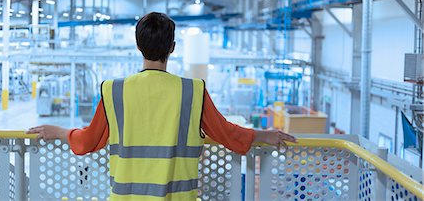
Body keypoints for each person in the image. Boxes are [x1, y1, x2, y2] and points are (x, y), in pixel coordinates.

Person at [28, 12, 297, 201]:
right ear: (173, 47)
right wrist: (264, 135)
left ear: (138, 45)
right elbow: (226, 134)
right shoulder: (193, 91)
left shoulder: (114, 90)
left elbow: (88, 141)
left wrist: (60, 131)